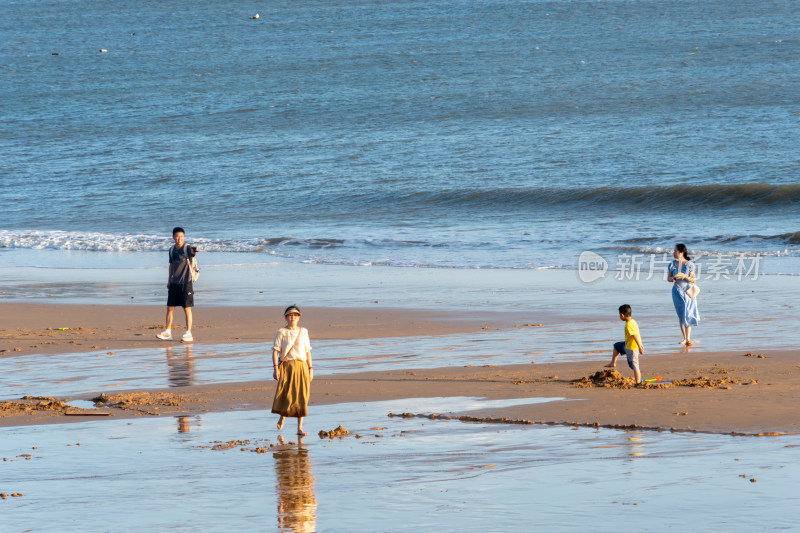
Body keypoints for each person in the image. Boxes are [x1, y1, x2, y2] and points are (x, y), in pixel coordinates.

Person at [272, 305, 313, 436]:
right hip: (287, 366)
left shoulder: (304, 332)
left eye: (295, 315)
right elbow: (275, 351)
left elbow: (307, 352)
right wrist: (275, 369)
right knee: (286, 394)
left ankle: (299, 428)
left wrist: (310, 368)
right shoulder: (281, 332)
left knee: (302, 396)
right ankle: (282, 416)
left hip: (301, 366)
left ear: (299, 317)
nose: (292, 317)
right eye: (290, 315)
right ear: (285, 317)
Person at [156, 227, 198, 343]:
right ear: (173, 237)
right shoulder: (171, 250)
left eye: (181, 236)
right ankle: (168, 332)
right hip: (174, 283)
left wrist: (195, 251)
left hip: (186, 282)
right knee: (170, 308)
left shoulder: (187, 248)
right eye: (177, 236)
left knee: (186, 308)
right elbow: (171, 266)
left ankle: (188, 333)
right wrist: (169, 280)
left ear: (183, 237)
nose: (179, 238)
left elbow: (193, 253)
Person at [667, 243, 699, 346]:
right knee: (681, 315)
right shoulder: (672, 264)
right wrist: (673, 278)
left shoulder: (690, 264)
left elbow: (693, 279)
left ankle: (688, 338)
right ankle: (685, 338)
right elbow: (668, 278)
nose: (673, 252)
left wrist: (684, 277)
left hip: (688, 291)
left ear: (681, 252)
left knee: (688, 313)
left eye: (675, 251)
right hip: (677, 291)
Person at [604, 304, 645, 383]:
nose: (619, 316)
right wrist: (641, 344)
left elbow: (635, 335)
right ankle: (613, 363)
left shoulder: (629, 324)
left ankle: (638, 382)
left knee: (635, 366)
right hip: (627, 344)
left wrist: (640, 346)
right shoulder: (632, 321)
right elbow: (637, 333)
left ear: (622, 315)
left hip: (631, 348)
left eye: (619, 315)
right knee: (617, 346)